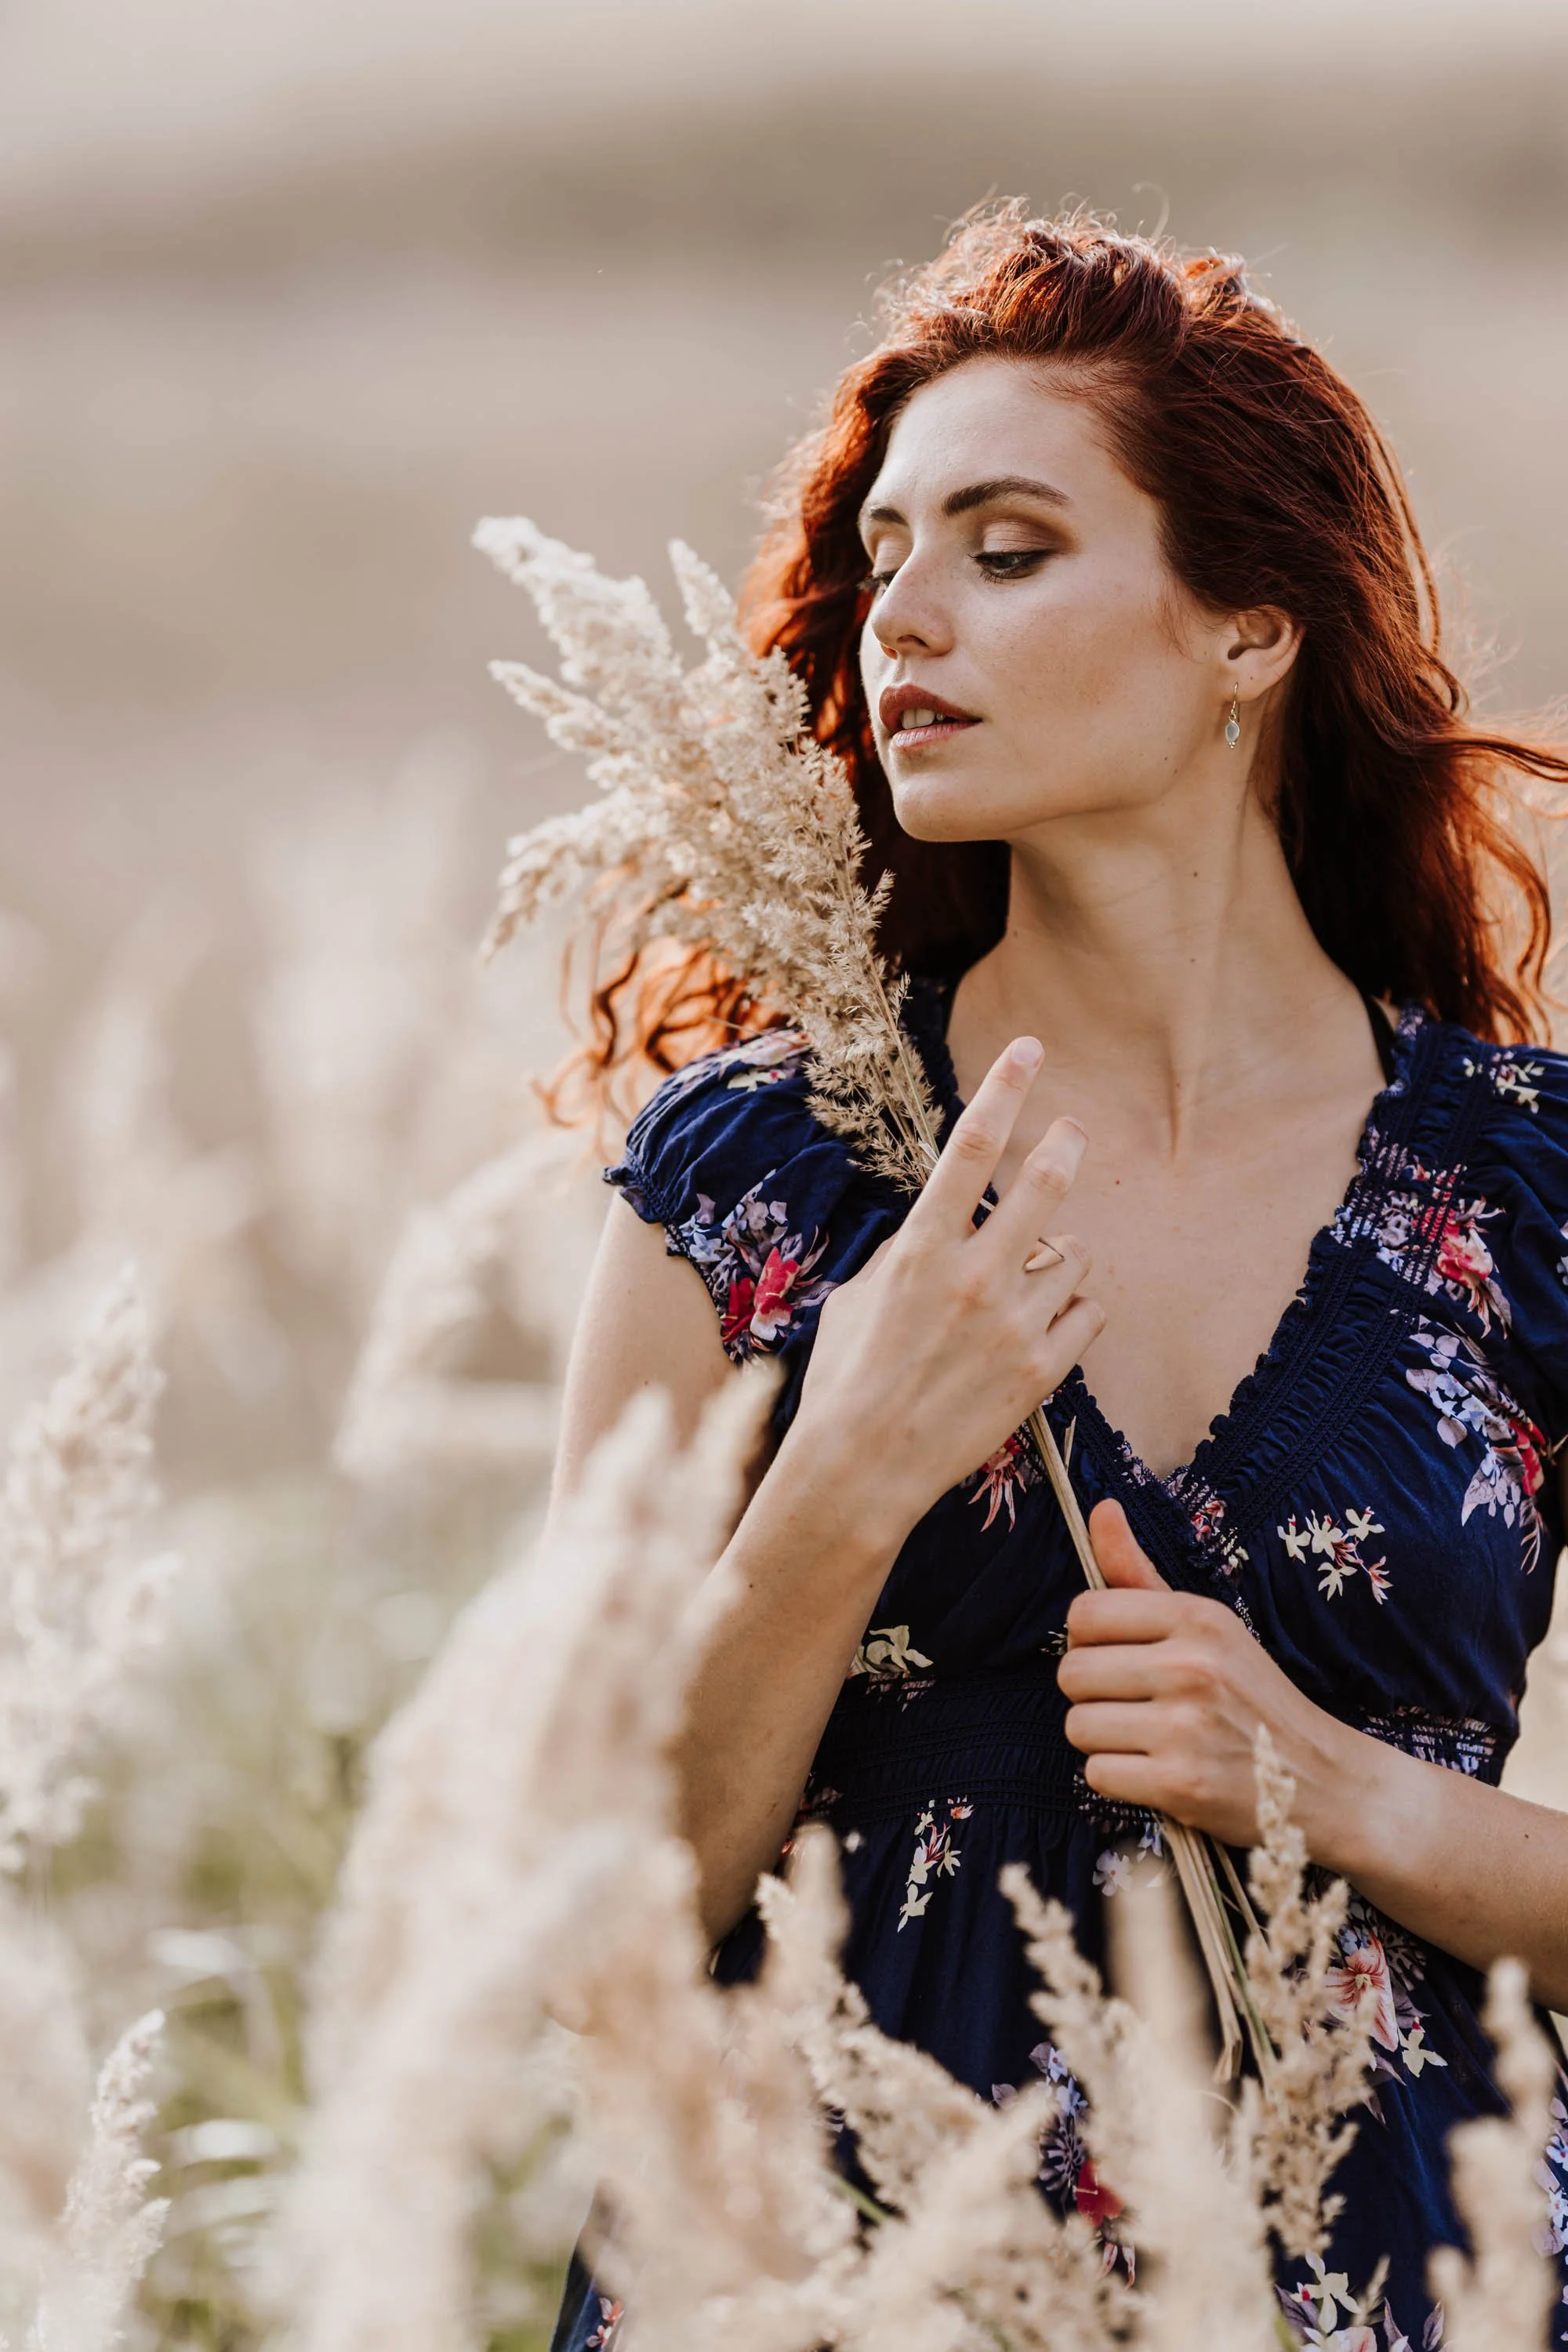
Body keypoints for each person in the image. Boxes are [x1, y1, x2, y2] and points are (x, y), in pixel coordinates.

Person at [548, 205, 1568, 2347]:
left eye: (1006, 552)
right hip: (844, 2282)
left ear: (1250, 630)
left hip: (1400, 2279)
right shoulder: (756, 1180)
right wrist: (845, 1472)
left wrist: (1338, 1784)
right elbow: (578, 1921)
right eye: (887, 557)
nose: (902, 616)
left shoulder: (1533, 1198)